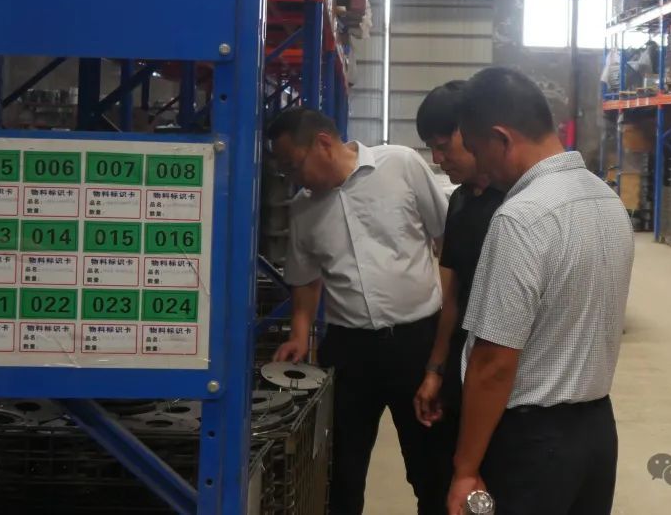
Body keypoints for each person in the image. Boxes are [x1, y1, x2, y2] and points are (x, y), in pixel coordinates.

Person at [446, 67, 635, 515]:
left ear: (501, 138)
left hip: (532, 447)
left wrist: (465, 469)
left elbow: (494, 363)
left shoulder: (521, 218)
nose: (480, 168)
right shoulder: (607, 200)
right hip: (596, 435)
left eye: (477, 150)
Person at [267, 108, 450, 515]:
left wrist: (446, 337)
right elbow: (306, 280)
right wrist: (299, 333)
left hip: (416, 344)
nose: (293, 178)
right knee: (342, 472)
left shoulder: (400, 165)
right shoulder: (304, 209)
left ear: (323, 143)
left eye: (294, 165)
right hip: (349, 352)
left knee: (430, 466)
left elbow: (445, 240)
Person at [412, 82, 506, 452]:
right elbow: (453, 293)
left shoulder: (518, 203)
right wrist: (435, 370)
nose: (438, 159)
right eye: (431, 148)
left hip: (506, 370)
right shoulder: (461, 201)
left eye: (442, 145)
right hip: (462, 359)